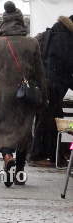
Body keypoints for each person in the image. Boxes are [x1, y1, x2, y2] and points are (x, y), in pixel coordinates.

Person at [0, 1, 46, 187]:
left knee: (2, 129)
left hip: (2, 93)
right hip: (25, 94)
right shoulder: (32, 42)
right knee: (24, 131)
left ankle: (7, 156)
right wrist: (43, 93)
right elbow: (39, 72)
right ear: (21, 22)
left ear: (4, 22)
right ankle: (19, 170)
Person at [30, 15, 73, 166]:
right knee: (48, 121)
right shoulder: (64, 37)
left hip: (47, 83)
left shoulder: (54, 32)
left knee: (50, 120)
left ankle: (55, 154)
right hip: (53, 85)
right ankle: (37, 156)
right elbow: (67, 65)